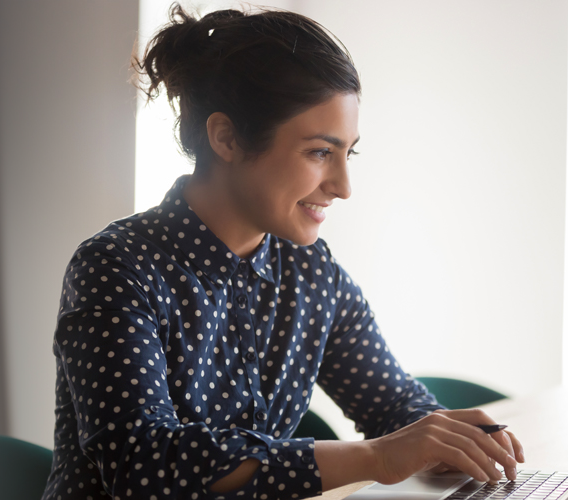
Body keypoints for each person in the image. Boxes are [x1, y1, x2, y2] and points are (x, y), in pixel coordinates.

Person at [42, 4, 524, 499]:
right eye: (319, 152)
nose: (342, 186)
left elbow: (395, 406)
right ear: (227, 138)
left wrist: (453, 437)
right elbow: (142, 462)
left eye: (347, 153)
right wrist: (377, 457)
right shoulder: (117, 267)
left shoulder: (311, 271)